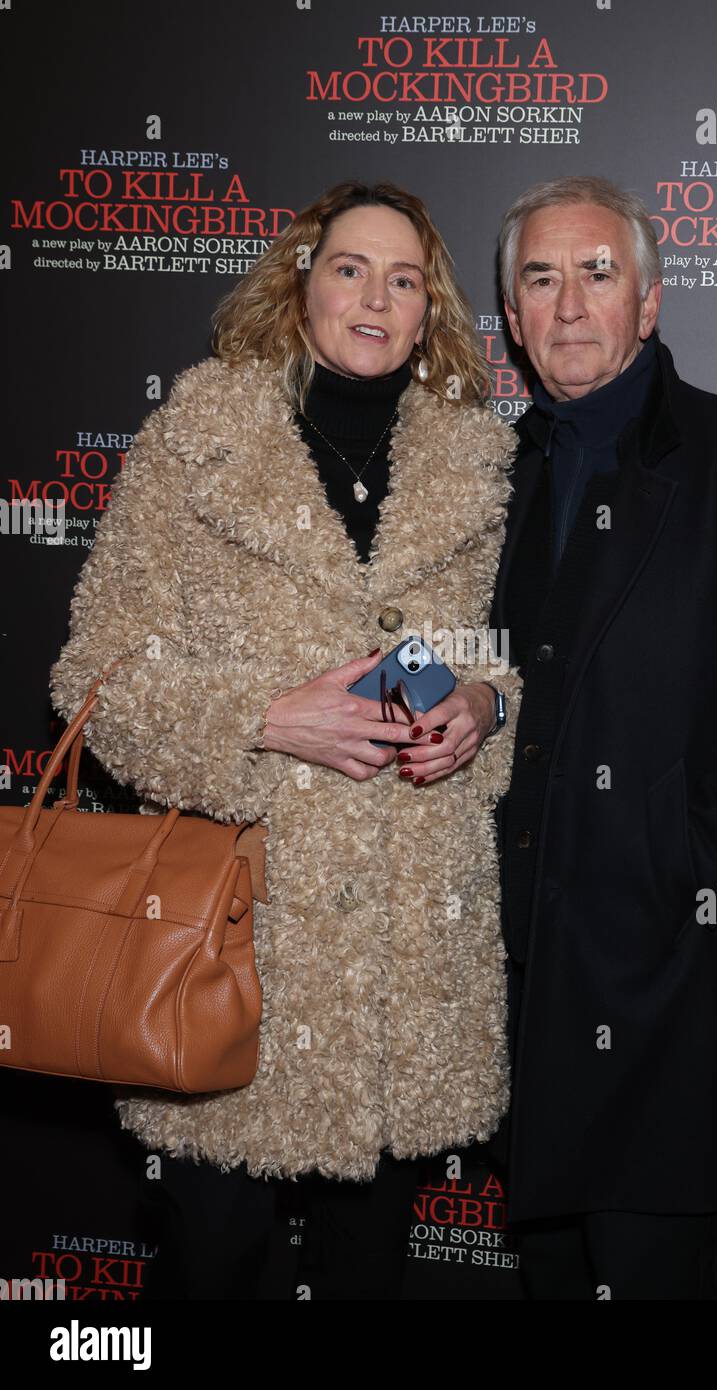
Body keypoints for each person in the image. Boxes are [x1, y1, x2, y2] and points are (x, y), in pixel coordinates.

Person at [49, 180, 522, 1300]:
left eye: (405, 280)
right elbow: (92, 672)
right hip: (233, 948)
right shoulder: (199, 441)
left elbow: (483, 655)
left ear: (429, 311)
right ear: (301, 282)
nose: (376, 296)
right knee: (210, 1258)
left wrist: (480, 707)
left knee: (373, 1274)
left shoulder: (475, 465)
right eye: (352, 268)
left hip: (405, 955)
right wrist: (262, 719)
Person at [487, 175, 717, 1299]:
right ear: (509, 317)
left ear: (647, 304)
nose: (567, 306)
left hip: (662, 982)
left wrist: (680, 856)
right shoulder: (481, 474)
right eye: (539, 279)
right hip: (512, 978)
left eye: (597, 274)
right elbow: (445, 658)